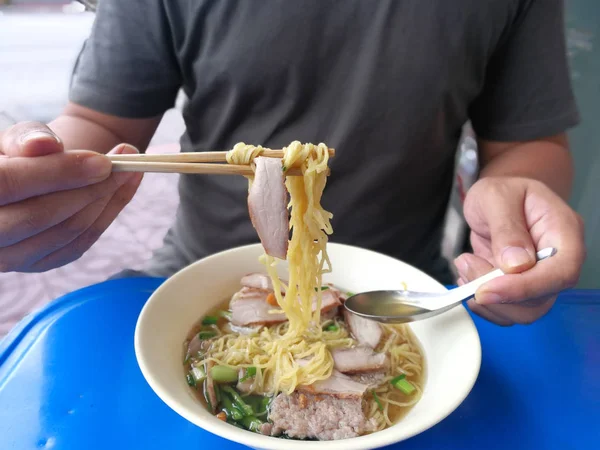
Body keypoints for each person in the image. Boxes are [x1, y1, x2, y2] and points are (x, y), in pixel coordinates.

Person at [0, 0, 586, 327]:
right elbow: (101, 126)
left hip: (407, 293)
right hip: (195, 271)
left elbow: (524, 143)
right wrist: (37, 163)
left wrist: (517, 193)